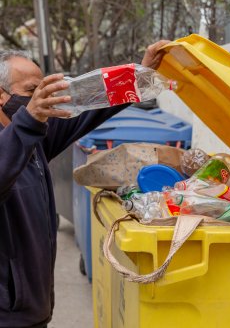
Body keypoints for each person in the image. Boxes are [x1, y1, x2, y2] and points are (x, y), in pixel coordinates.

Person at [0, 40, 170, 328]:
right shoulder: (24, 131)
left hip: (34, 306)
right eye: (32, 91)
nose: (41, 98)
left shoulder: (34, 136)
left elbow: (91, 103)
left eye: (44, 89)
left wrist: (139, 73)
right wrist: (30, 121)